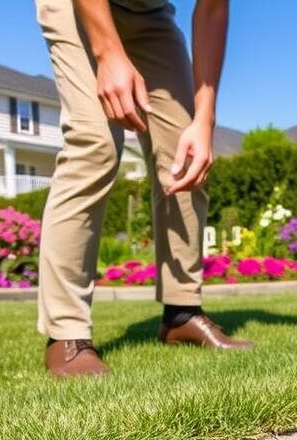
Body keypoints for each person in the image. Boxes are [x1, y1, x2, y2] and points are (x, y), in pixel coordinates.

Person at [36, 0, 252, 377]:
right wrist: (108, 53)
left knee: (185, 152)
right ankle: (66, 333)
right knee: (95, 145)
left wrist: (204, 121)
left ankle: (181, 313)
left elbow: (213, 10)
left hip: (150, 15)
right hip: (75, 7)